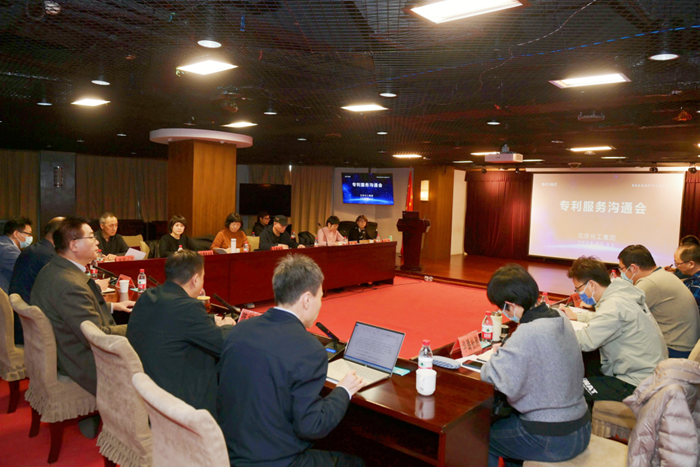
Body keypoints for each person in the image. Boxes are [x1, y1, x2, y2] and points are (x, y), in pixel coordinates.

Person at [218, 254, 365, 467]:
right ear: (307, 300)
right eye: (320, 297)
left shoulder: (240, 330)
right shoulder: (309, 349)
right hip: (274, 461)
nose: (320, 304)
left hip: (229, 452)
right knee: (357, 462)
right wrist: (344, 390)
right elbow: (312, 426)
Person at [481, 264, 590, 467]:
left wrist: (497, 354)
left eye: (501, 308)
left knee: (482, 437)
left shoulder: (528, 332)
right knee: (510, 430)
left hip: (553, 438)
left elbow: (490, 376)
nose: (503, 313)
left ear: (510, 305)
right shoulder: (560, 317)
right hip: (581, 426)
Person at [31, 217, 134, 396]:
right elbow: (97, 335)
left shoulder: (55, 268)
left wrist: (113, 306)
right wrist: (141, 327)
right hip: (82, 362)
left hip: (66, 348)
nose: (97, 242)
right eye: (91, 237)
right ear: (74, 245)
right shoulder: (70, 284)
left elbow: (73, 310)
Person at [127, 250, 235, 418]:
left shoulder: (148, 295)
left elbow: (171, 322)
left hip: (146, 385)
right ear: (195, 279)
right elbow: (222, 343)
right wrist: (228, 326)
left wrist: (211, 320)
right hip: (175, 396)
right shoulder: (188, 307)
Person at [561, 256, 667, 402]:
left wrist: (555, 331)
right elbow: (609, 320)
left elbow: (584, 341)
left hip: (637, 383)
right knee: (589, 363)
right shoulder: (621, 295)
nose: (579, 293)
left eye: (578, 289)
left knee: (571, 387)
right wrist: (579, 317)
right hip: (649, 372)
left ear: (591, 284)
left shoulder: (614, 305)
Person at [618, 245, 700, 358]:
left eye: (622, 269)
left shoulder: (650, 283)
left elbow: (621, 313)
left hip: (674, 350)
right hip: (684, 346)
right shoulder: (662, 274)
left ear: (633, 268)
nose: (622, 274)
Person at [9, 217, 64, 345]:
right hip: (31, 324)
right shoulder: (47, 255)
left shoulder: (38, 249)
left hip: (23, 317)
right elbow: (61, 287)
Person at [0, 216, 33, 293]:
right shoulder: (9, 250)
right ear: (16, 234)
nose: (31, 237)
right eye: (29, 234)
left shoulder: (2, 243)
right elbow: (25, 273)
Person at [674, 243, 700, 309]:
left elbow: (687, 309)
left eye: (677, 264)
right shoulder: (692, 279)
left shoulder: (697, 285)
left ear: (691, 264)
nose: (677, 266)